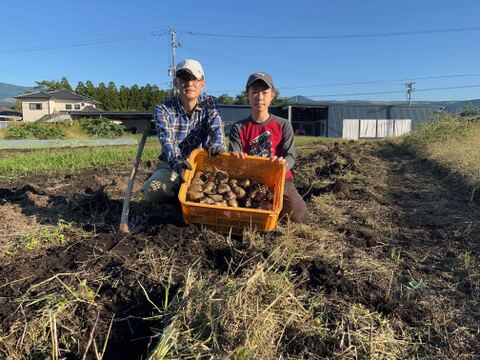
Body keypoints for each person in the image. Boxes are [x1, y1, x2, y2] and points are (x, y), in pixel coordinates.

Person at [229, 72, 309, 224]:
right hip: (250, 179)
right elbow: (235, 156)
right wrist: (237, 160)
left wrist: (281, 164)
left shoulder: (283, 125)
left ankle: (275, 208)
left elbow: (290, 156)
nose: (260, 97)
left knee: (301, 218)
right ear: (247, 95)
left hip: (280, 180)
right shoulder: (238, 127)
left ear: (272, 95)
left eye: (265, 92)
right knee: (240, 216)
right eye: (254, 92)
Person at [142, 59, 226, 203]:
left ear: (202, 83)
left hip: (201, 165)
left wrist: (218, 145)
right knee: (153, 191)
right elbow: (167, 143)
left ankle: (189, 197)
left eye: (194, 79)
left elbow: (217, 129)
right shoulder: (163, 109)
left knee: (221, 186)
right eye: (184, 79)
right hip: (172, 166)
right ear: (175, 83)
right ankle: (179, 197)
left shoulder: (210, 103)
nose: (189, 83)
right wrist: (179, 164)